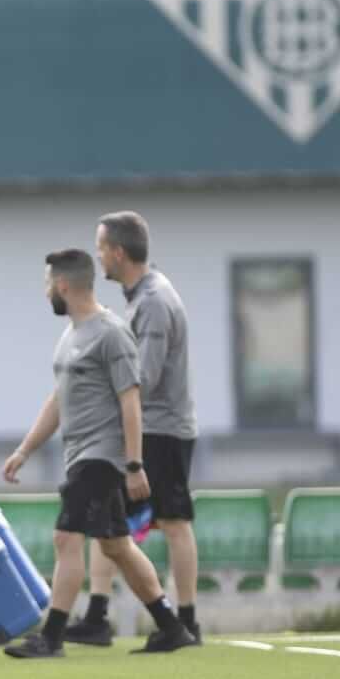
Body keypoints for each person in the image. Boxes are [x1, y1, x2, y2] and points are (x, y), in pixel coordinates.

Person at [1, 249, 194, 658]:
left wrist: (135, 464)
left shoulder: (112, 333)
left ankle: (50, 637)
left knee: (65, 536)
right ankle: (171, 626)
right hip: (79, 454)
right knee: (115, 546)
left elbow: (131, 400)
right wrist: (25, 450)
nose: (46, 291)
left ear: (64, 286)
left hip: (100, 457)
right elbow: (59, 401)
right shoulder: (71, 335)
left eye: (48, 284)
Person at [66, 212, 202, 646]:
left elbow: (143, 377)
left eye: (102, 247)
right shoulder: (139, 297)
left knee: (173, 521)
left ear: (119, 253)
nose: (98, 256)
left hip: (161, 429)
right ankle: (98, 615)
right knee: (109, 521)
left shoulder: (154, 302)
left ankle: (186, 620)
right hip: (147, 427)